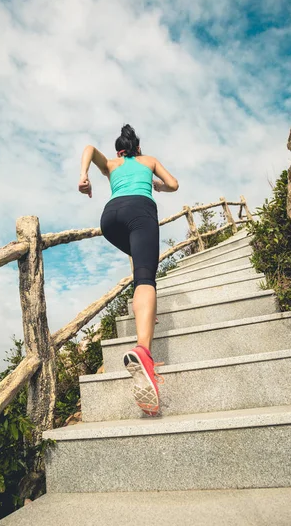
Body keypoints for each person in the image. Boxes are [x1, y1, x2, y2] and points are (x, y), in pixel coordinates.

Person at [78, 125, 179, 416]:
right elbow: (173, 184)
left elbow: (88, 148)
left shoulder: (110, 165)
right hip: (140, 211)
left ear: (118, 149)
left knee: (140, 266)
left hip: (110, 218)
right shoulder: (148, 161)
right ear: (137, 147)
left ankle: (146, 313)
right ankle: (143, 352)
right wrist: (157, 185)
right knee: (146, 277)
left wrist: (84, 177)